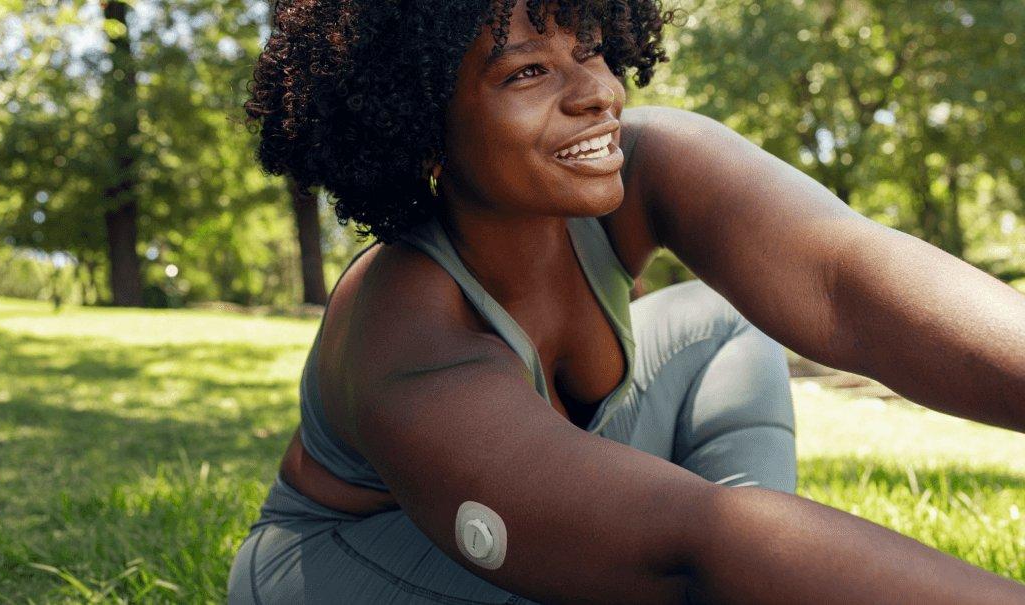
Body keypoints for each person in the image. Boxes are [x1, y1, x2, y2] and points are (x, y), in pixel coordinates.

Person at [228, 0, 1025, 602]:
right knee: (677, 567)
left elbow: (844, 282)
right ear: (422, 129)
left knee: (721, 325)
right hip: (355, 558)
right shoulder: (406, 330)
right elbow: (692, 540)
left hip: (547, 496)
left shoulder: (644, 162)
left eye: (592, 49)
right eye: (528, 71)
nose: (599, 92)